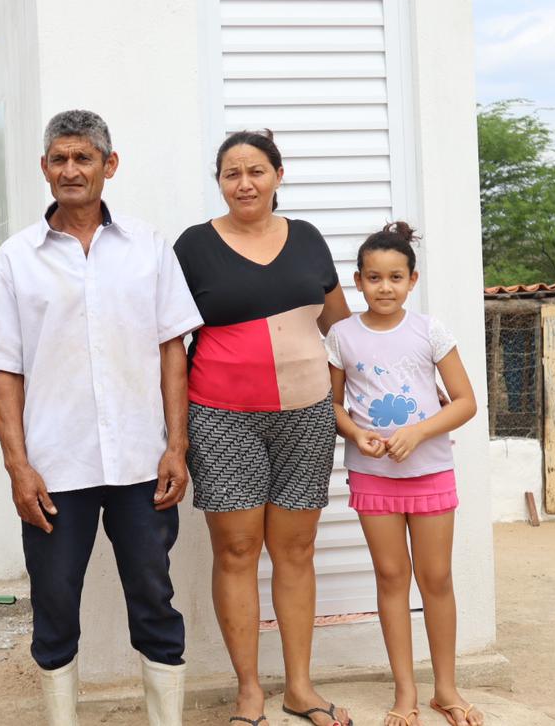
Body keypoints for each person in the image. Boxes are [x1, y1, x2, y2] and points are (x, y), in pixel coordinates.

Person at [0, 109, 203, 726]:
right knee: (54, 601)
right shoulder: (14, 261)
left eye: (84, 157)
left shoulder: (149, 249)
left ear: (109, 166)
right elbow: (3, 373)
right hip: (53, 467)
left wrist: (176, 447)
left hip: (140, 463)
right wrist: (18, 467)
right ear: (45, 168)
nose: (71, 169)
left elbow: (172, 352)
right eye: (60, 158)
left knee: (154, 596)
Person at [172, 130, 351, 726]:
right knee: (238, 550)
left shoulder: (307, 239)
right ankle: (249, 691)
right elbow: (171, 342)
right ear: (219, 182)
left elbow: (342, 332)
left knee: (296, 550)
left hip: (306, 416)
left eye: (255, 170)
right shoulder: (193, 246)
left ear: (278, 174)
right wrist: (175, 433)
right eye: (231, 173)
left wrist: (343, 412)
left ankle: (300, 687)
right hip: (222, 417)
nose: (244, 183)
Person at [325, 222, 481, 726]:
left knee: (435, 578)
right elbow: (332, 406)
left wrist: (418, 433)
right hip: (373, 476)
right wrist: (355, 435)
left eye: (395, 277)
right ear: (358, 281)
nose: (385, 287)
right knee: (392, 577)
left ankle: (447, 690)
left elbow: (465, 402)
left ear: (412, 280)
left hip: (431, 471)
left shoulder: (429, 331)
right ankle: (406, 694)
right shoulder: (341, 336)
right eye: (374, 278)